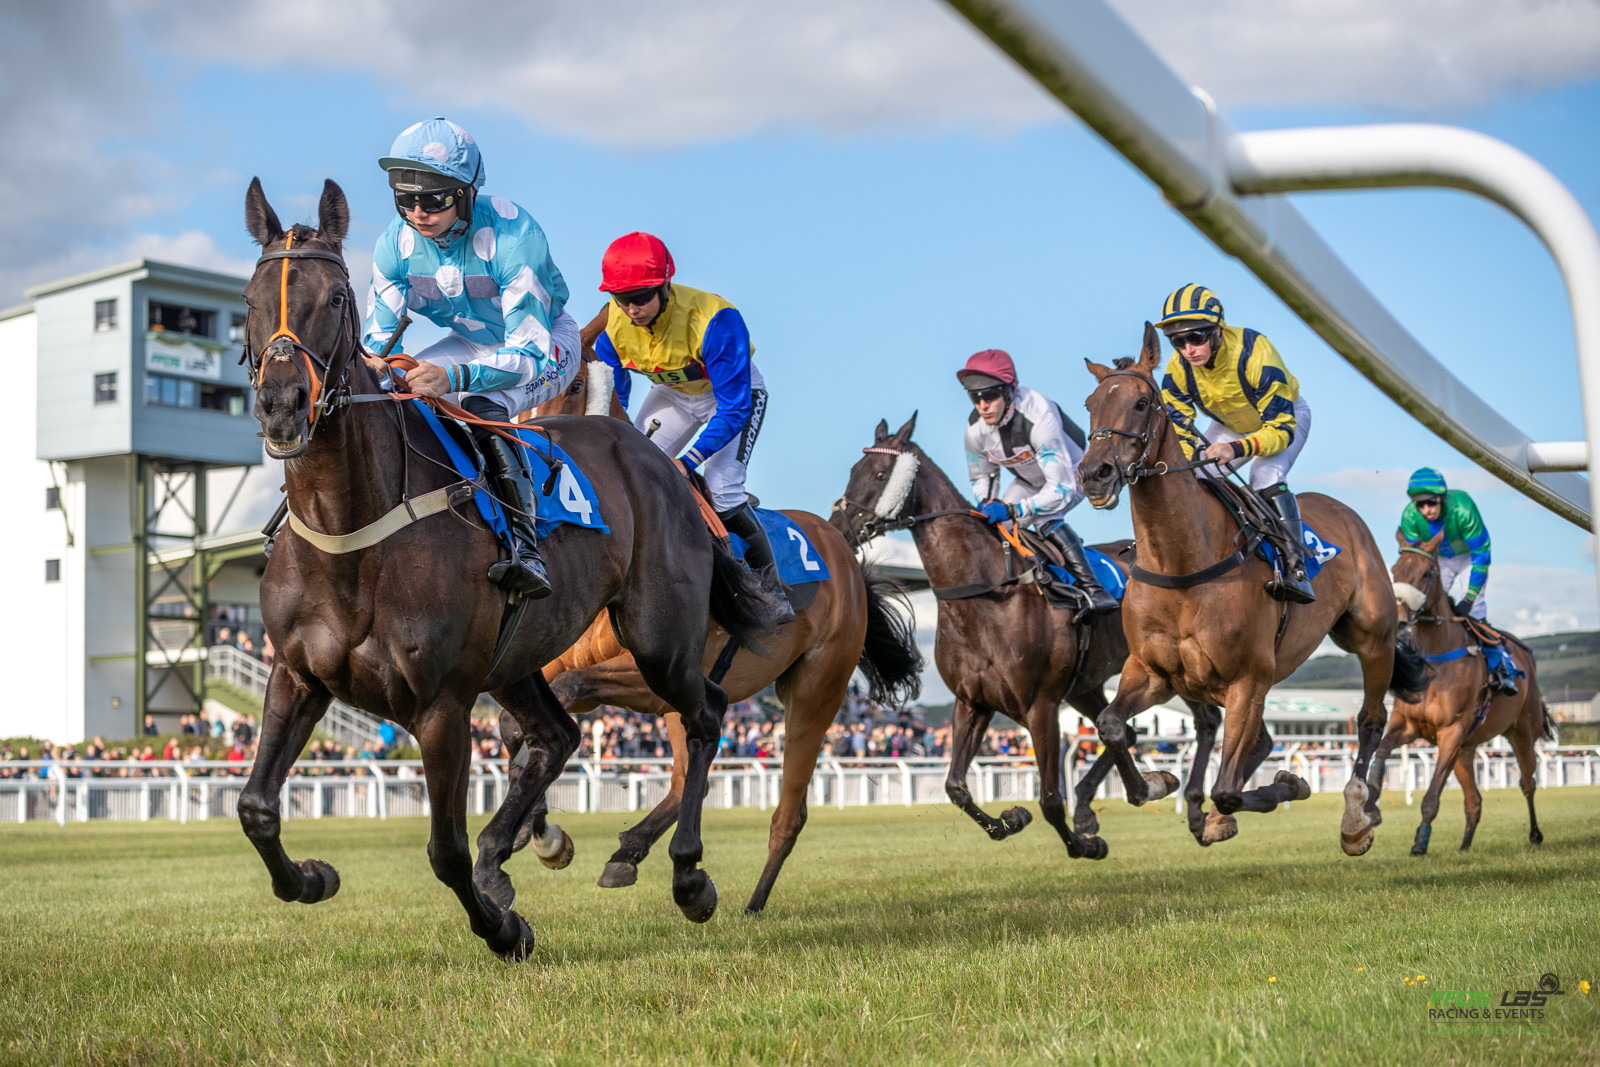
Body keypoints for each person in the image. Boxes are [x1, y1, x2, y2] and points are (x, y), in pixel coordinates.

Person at [362, 117, 584, 600]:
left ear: (465, 194)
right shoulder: (393, 245)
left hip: (544, 345)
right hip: (469, 341)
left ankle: (526, 547)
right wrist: (375, 366)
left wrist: (455, 377)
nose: (418, 214)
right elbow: (376, 345)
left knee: (483, 405)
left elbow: (527, 355)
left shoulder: (514, 233)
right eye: (406, 201)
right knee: (386, 392)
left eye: (434, 201)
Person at [591, 231, 794, 623]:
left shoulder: (717, 320)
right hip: (674, 396)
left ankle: (771, 591)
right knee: (629, 468)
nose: (632, 309)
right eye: (621, 298)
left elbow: (734, 408)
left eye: (641, 297)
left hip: (732, 397)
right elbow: (616, 394)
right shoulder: (614, 323)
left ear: (665, 286)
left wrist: (689, 461)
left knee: (723, 487)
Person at [1155, 284, 1315, 604]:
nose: (1188, 349)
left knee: (1264, 477)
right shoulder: (1178, 366)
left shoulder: (1254, 350)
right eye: (1177, 341)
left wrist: (1236, 449)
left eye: (1196, 337)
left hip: (1283, 419)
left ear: (1218, 330)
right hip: (1230, 424)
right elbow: (1181, 430)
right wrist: (1184, 463)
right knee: (1192, 477)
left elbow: (1281, 429)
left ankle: (1296, 568)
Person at [958, 349, 1116, 618]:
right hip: (1030, 481)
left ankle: (1095, 589)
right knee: (994, 529)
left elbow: (1060, 488)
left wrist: (1013, 509)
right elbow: (982, 475)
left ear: (1009, 391)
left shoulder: (1038, 414)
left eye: (990, 395)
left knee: (1044, 517)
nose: (982, 405)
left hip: (1072, 476)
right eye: (975, 397)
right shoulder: (974, 430)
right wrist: (987, 502)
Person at [1398, 467, 1515, 692]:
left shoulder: (1463, 509)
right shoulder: (1410, 516)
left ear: (1442, 498)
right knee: (1421, 605)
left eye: (1431, 502)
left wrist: (1469, 598)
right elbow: (1413, 557)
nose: (1426, 510)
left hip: (1470, 558)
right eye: (1420, 504)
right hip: (1438, 559)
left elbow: (1481, 555)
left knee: (1476, 610)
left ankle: (1500, 666)